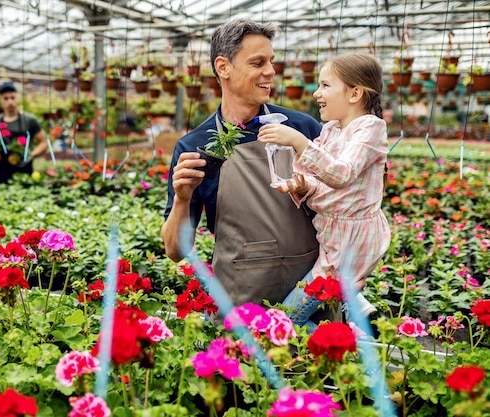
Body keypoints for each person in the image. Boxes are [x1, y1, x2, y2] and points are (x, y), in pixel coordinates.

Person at [161, 19, 323, 313]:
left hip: (309, 295)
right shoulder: (195, 147)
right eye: (258, 62)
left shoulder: (302, 130)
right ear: (223, 67)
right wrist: (182, 199)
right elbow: (175, 251)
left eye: (271, 62)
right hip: (239, 303)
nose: (271, 72)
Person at [257, 52, 390, 331]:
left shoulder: (370, 128)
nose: (317, 93)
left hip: (351, 243)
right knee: (314, 309)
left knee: (290, 316)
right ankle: (351, 316)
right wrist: (302, 184)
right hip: (332, 237)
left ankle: (342, 343)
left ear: (355, 93)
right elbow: (321, 178)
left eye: (326, 85)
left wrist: (298, 140)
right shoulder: (331, 130)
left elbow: (341, 174)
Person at [0, 82, 48, 185]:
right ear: (0, 100)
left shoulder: (29, 120)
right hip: (2, 171)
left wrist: (30, 155)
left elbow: (43, 142)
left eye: (13, 98)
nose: (10, 102)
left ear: (17, 99)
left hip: (24, 169)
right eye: (6, 98)